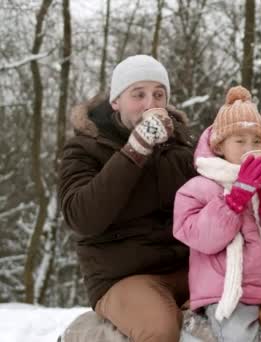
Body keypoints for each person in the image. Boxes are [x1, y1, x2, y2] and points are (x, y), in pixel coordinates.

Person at [59, 55, 197, 342]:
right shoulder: (84, 148)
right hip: (121, 276)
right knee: (159, 330)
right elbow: (83, 217)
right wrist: (137, 147)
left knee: (244, 309)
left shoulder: (182, 146)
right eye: (138, 95)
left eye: (158, 94)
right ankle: (86, 334)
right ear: (115, 102)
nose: (150, 104)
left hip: (185, 268)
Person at [173, 86, 261, 342]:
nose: (249, 147)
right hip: (229, 294)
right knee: (238, 338)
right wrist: (235, 199)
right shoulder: (197, 189)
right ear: (220, 146)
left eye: (256, 141)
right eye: (240, 141)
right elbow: (203, 239)